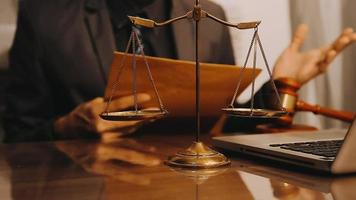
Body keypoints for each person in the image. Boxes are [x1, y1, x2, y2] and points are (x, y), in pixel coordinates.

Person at [4, 0, 356, 143]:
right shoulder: (45, 18)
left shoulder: (208, 17)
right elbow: (15, 134)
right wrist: (66, 127)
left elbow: (219, 122)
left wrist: (281, 85)